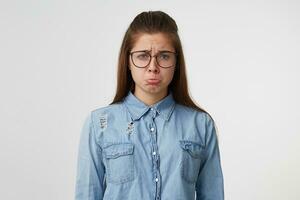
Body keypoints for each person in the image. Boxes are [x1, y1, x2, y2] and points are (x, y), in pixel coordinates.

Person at [75, 10, 224, 200]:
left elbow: (213, 194)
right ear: (128, 61)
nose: (153, 67)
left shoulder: (200, 124)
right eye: (143, 56)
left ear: (176, 62)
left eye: (164, 56)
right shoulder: (99, 124)